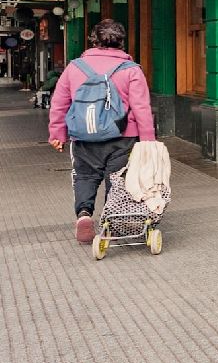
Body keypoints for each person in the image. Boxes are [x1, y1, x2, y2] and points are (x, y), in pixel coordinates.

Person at [47, 19, 156, 244]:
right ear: (122, 41)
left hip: (83, 135)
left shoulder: (75, 67)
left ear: (93, 40)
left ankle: (84, 214)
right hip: (122, 136)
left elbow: (59, 102)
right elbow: (141, 107)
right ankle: (110, 222)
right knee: (116, 179)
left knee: (85, 175)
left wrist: (57, 134)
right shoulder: (131, 70)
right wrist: (148, 141)